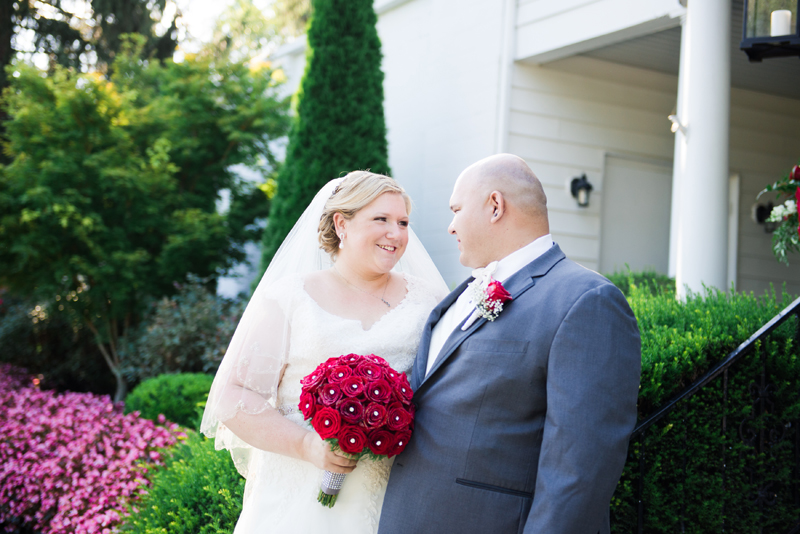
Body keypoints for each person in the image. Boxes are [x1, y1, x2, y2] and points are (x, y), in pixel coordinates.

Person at [379, 154, 641, 534]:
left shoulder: (586, 300)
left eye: (456, 210)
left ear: (495, 206)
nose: (451, 227)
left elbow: (579, 469)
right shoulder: (461, 295)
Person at [200, 171, 448, 534]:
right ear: (341, 224)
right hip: (297, 496)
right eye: (381, 219)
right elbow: (233, 395)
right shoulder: (290, 298)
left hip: (394, 499)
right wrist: (307, 445)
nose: (395, 233)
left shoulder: (429, 301)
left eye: (403, 222)